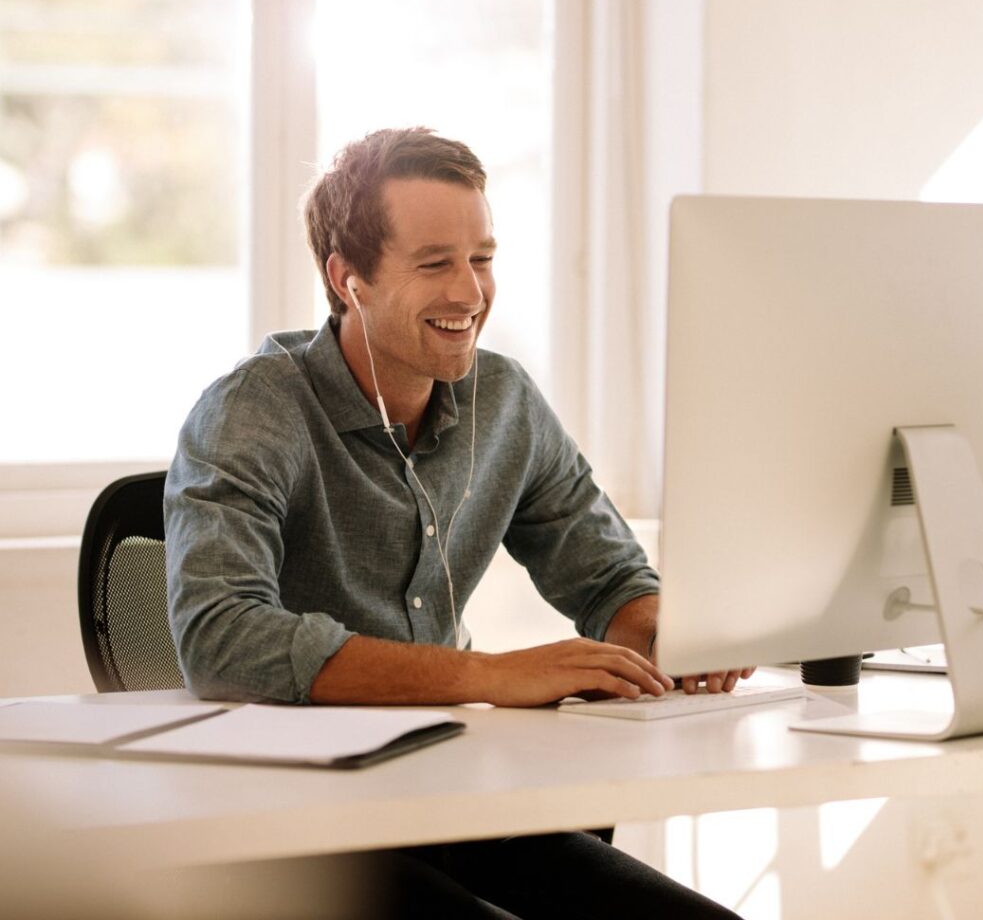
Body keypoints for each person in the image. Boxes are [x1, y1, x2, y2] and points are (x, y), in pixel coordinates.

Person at [165, 127, 750, 919]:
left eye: (482, 258)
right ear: (349, 280)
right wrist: (489, 677)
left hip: (453, 795)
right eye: (435, 263)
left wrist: (670, 635)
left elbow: (610, 578)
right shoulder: (252, 412)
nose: (470, 293)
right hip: (292, 830)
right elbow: (223, 639)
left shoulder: (503, 403)